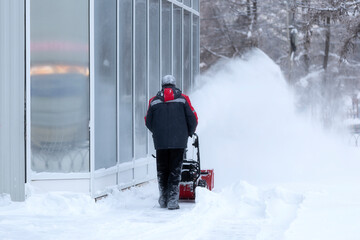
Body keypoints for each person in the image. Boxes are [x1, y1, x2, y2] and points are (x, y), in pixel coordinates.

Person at [145, 75, 198, 210]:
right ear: (174, 85)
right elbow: (193, 118)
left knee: (162, 170)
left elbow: (148, 121)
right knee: (175, 170)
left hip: (160, 142)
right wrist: (188, 132)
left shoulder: (153, 101)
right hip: (179, 141)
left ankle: (163, 198)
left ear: (162, 85)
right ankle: (173, 200)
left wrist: (157, 132)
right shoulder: (183, 99)